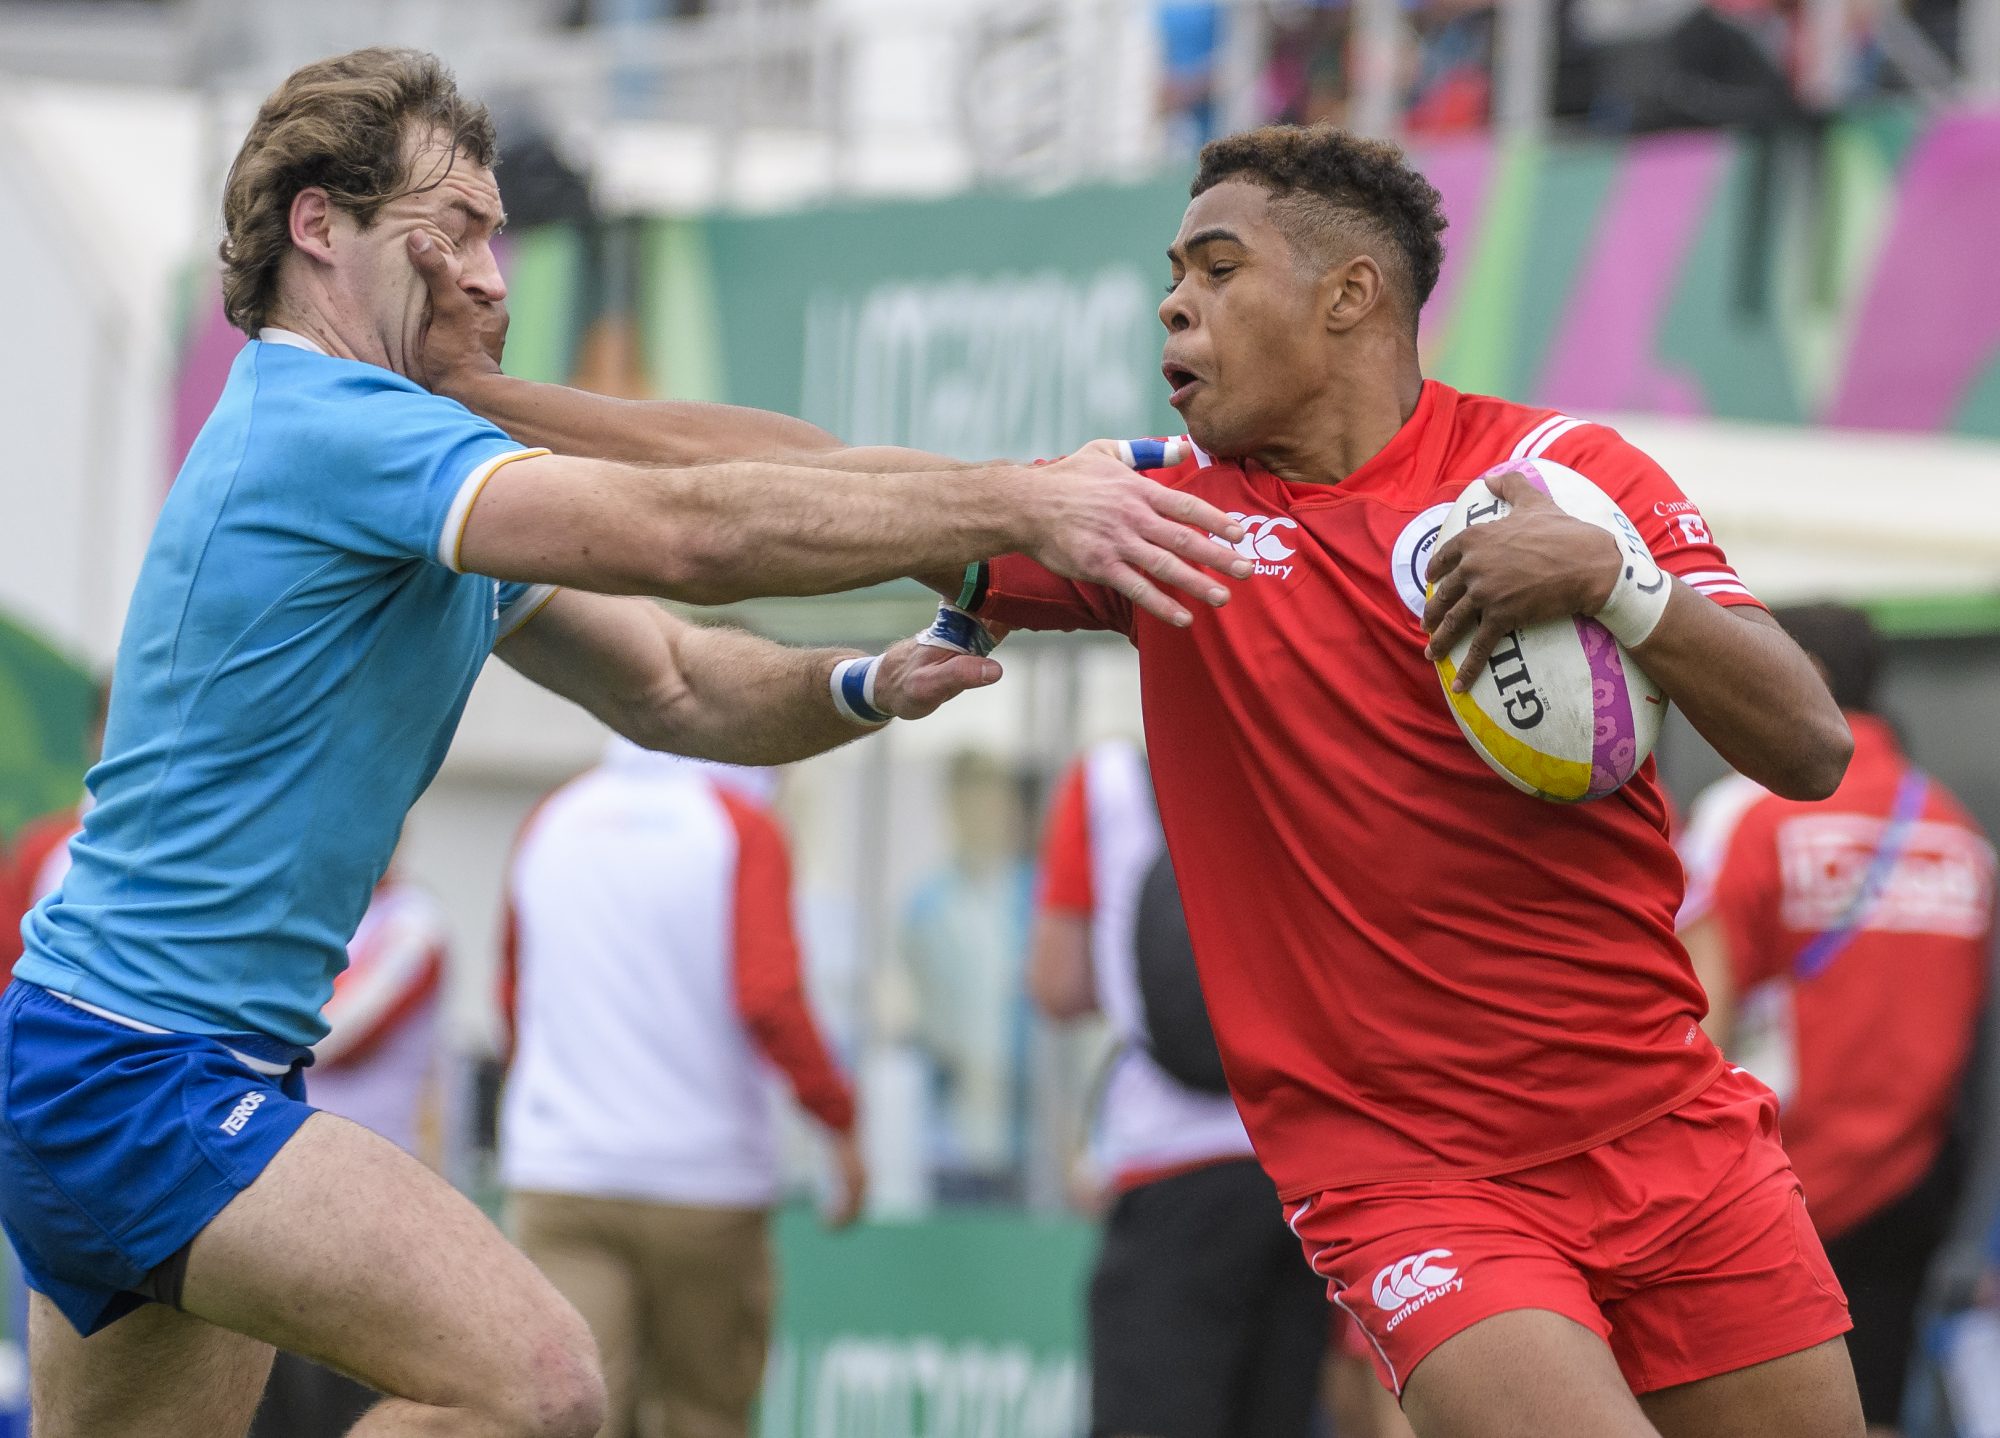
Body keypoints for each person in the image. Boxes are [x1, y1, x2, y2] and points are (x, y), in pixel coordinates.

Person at [0, 47, 1250, 1438]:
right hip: (145, 1070)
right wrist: (1022, 504)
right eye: (453, 231)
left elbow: (673, 681)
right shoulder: (332, 423)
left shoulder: (404, 460)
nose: (493, 277)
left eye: (496, 236)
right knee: (541, 1385)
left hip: (122, 1060)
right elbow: (687, 533)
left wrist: (859, 682)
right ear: (319, 227)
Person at [918, 125, 1865, 1438]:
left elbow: (1810, 745)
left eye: (1215, 267)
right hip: (1416, 1180)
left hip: (1670, 1130)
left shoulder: (1563, 475)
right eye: (1171, 277)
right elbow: (850, 493)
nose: (1172, 303)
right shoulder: (1165, 517)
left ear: (1350, 295)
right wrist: (600, 462)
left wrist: (1617, 583)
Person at [1678, 603, 1997, 1438]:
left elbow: (1697, 1013)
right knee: (1874, 1411)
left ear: (1806, 676)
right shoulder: (1958, 832)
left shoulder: (1748, 810)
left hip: (1771, 1179)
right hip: (1913, 1177)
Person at [498, 741, 862, 1438]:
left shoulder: (552, 819)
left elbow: (514, 997)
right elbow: (771, 1000)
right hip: (705, 1184)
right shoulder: (739, 828)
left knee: (577, 1416)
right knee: (704, 1414)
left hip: (564, 1173)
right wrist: (838, 1120)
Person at [1031, 738, 1327, 1438]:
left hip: (1167, 1169)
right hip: (1301, 1170)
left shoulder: (1105, 782)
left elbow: (1057, 983)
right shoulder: (1305, 754)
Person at [250, 868, 454, 1438]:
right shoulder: (286, 906)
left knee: (342, 1402)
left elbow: (330, 1033)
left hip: (369, 1198)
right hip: (270, 1186)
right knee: (262, 1399)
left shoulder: (412, 924)